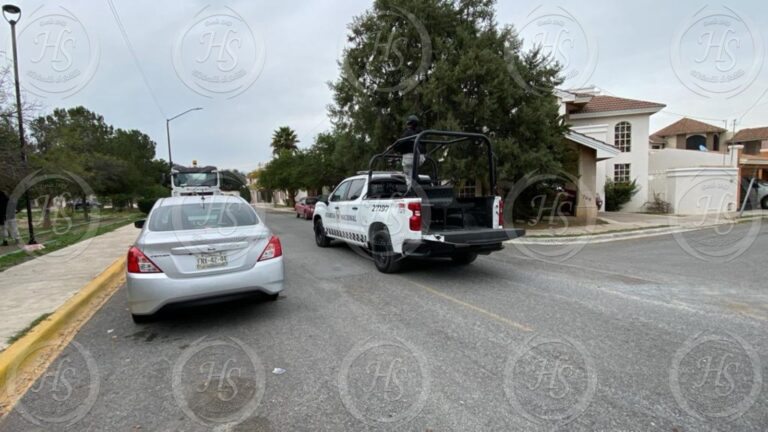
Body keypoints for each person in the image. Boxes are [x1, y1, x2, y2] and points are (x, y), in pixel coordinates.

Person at [394, 115, 425, 184]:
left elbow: (399, 144)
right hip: (421, 157)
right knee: (413, 171)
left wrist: (393, 148)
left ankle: (411, 189)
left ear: (409, 123)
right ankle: (416, 178)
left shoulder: (408, 133)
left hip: (410, 157)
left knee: (408, 178)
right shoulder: (420, 133)